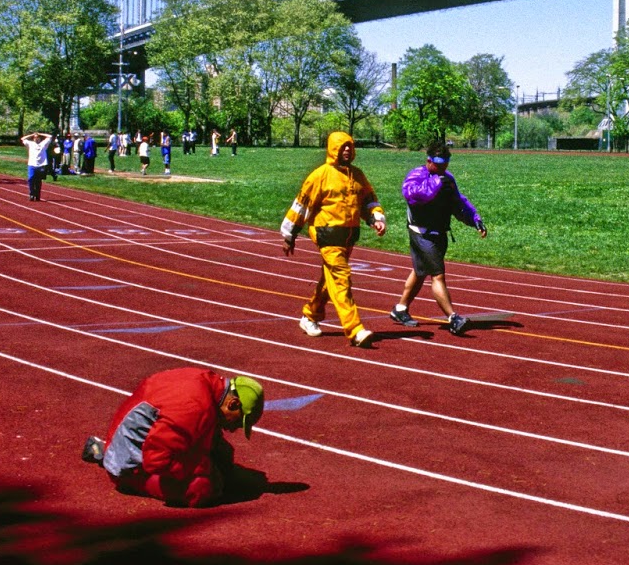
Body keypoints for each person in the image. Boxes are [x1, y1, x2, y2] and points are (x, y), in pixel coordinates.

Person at [82, 368, 263, 508]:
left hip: (138, 436)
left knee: (223, 459)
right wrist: (203, 466)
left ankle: (107, 449)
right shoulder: (194, 407)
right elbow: (156, 461)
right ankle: (114, 462)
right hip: (130, 465)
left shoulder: (209, 385)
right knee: (203, 488)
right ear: (232, 403)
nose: (233, 430)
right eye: (238, 422)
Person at [281, 130, 387, 348]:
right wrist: (290, 233)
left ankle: (310, 315)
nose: (347, 150)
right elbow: (302, 205)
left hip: (348, 237)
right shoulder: (320, 175)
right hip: (327, 235)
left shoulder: (357, 175)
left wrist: (376, 217)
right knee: (341, 279)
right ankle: (355, 329)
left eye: (350, 146)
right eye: (342, 147)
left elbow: (368, 199)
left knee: (329, 280)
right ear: (333, 149)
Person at [389, 142, 487, 337]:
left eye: (445, 165)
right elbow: (413, 196)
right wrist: (435, 183)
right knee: (437, 275)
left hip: (439, 233)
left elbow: (459, 203)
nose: (442, 169)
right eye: (438, 165)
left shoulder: (448, 179)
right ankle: (453, 318)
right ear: (429, 161)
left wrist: (475, 219)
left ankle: (400, 309)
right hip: (421, 233)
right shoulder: (416, 176)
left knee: (420, 272)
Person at [21, 131, 52, 201]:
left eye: (38, 138)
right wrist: (32, 134)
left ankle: (37, 195)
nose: (36, 139)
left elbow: (50, 136)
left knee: (38, 181)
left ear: (40, 139)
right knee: (30, 179)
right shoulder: (30, 144)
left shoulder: (43, 144)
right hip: (32, 164)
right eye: (35, 138)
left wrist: (40, 134)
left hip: (41, 165)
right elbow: (22, 139)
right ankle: (32, 193)